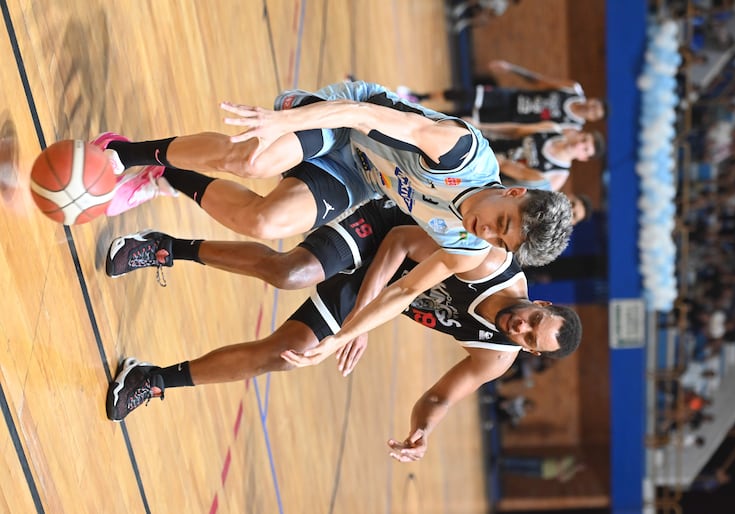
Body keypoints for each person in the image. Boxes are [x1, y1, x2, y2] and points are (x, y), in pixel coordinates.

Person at [96, 81, 573, 364]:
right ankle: (124, 153)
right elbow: (364, 114)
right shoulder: (458, 152)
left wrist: (344, 335)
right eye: (500, 219)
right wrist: (284, 124)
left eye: (498, 238)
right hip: (347, 119)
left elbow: (405, 292)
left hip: (361, 175)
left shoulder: (467, 247)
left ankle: (165, 173)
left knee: (266, 221)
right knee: (251, 161)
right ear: (512, 192)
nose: (485, 231)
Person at [106, 199, 582, 463]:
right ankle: (166, 247)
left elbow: (439, 398)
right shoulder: (490, 264)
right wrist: (361, 321)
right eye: (534, 319)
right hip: (382, 229)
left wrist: (422, 430)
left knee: (286, 354)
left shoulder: (496, 355)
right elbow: (398, 243)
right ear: (540, 303)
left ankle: (152, 379)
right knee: (291, 271)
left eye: (528, 338)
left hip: (380, 293)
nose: (521, 326)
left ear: (528, 352)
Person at [398, 60, 605, 129]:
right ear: (593, 100)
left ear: (592, 119)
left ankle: (418, 117)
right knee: (463, 94)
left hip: (510, 118)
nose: (591, 109)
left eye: (595, 113)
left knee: (460, 118)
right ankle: (419, 97)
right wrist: (511, 68)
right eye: (595, 105)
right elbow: (540, 81)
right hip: (511, 97)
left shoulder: (572, 126)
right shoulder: (573, 89)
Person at [493, 127, 605, 191]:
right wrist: (482, 126)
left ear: (583, 158)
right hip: (491, 143)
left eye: (585, 149)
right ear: (581, 134)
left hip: (491, 174)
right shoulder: (554, 129)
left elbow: (519, 192)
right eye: (584, 139)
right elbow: (516, 130)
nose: (579, 145)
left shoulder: (558, 176)